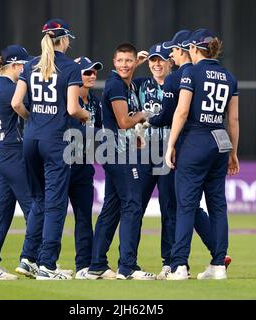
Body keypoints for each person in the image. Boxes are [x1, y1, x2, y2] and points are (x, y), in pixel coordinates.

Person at [149, 30, 232, 277]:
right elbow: (234, 119)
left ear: (193, 48)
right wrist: (234, 152)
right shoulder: (228, 76)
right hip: (221, 143)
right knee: (218, 205)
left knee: (185, 206)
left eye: (174, 50)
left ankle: (179, 265)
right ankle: (218, 264)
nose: (171, 56)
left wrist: (171, 144)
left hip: (194, 142)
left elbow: (181, 112)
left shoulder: (189, 73)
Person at [11, 18, 90, 281]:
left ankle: (27, 258)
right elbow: (72, 108)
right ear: (64, 39)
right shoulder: (69, 66)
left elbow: (16, 103)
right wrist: (86, 115)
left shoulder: (31, 64)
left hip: (31, 139)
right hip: (56, 142)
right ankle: (47, 264)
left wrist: (34, 119)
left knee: (39, 201)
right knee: (55, 204)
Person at [86, 43, 156, 280]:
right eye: (120, 61)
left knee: (112, 208)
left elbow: (127, 125)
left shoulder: (127, 84)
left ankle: (96, 264)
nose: (124, 65)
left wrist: (138, 134)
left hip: (118, 152)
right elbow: (124, 121)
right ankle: (127, 267)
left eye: (129, 61)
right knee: (133, 205)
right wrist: (146, 114)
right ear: (114, 63)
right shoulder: (116, 84)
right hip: (120, 154)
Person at [0, 45, 33, 280]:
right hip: (12, 153)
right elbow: (17, 105)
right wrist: (29, 116)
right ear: (15, 65)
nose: (26, 69)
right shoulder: (10, 88)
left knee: (2, 213)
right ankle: (36, 261)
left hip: (2, 152)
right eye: (23, 65)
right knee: (34, 207)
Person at [131, 44, 177, 280]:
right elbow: (118, 83)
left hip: (170, 152)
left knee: (169, 208)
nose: (157, 65)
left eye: (161, 60)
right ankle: (128, 263)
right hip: (145, 152)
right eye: (153, 61)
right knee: (135, 207)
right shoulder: (139, 85)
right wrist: (135, 64)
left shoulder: (178, 84)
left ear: (169, 61)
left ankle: (170, 262)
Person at [68, 56, 103, 279]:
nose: (92, 76)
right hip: (62, 165)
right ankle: (44, 262)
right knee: (53, 214)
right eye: (86, 72)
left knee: (83, 217)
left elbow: (100, 132)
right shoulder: (67, 100)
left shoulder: (95, 102)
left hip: (84, 164)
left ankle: (83, 265)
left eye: (94, 72)